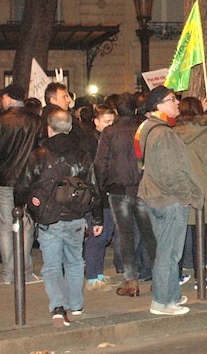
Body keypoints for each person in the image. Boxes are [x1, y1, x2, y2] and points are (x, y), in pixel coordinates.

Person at [15, 109, 103, 327]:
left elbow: (23, 184)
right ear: (70, 128)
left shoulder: (38, 155)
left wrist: (19, 205)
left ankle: (58, 307)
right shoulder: (82, 155)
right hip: (75, 216)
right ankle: (77, 305)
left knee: (52, 265)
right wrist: (97, 219)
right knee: (75, 261)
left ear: (49, 128)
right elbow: (94, 188)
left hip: (48, 217)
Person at [137, 86, 203, 315]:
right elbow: (172, 172)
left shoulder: (149, 128)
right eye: (172, 99)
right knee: (169, 253)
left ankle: (171, 295)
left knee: (167, 250)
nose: (177, 103)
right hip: (168, 199)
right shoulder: (163, 133)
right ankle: (162, 301)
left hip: (155, 195)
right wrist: (186, 197)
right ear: (159, 105)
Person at [94, 93, 156, 297]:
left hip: (118, 189)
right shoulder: (145, 128)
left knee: (125, 235)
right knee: (149, 233)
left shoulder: (110, 132)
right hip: (144, 187)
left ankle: (131, 280)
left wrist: (104, 185)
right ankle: (159, 276)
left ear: (117, 111)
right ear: (136, 109)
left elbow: (101, 163)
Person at [174, 97, 207, 290]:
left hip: (179, 188)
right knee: (200, 235)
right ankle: (200, 278)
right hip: (200, 188)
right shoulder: (205, 133)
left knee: (179, 235)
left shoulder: (172, 133)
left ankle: (176, 274)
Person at [0, 83, 44, 285]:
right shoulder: (36, 122)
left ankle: (9, 273)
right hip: (28, 181)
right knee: (25, 225)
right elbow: (42, 151)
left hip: (4, 180)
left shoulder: (0, 121)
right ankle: (23, 270)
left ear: (8, 97)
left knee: (5, 225)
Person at [83, 104, 119, 292]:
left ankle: (97, 273)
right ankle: (92, 276)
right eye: (106, 121)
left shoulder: (107, 139)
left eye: (112, 121)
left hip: (107, 192)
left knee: (105, 234)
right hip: (98, 194)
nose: (110, 125)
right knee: (97, 234)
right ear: (96, 122)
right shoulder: (91, 142)